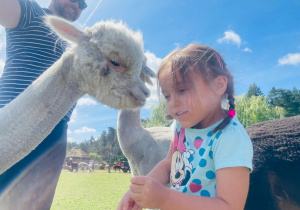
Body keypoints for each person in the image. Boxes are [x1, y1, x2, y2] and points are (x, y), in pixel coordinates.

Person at [117, 44, 253, 210]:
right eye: (167, 96)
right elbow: (169, 164)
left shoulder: (230, 138)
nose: (173, 103)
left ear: (218, 85)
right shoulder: (181, 127)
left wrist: (165, 198)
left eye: (182, 90)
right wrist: (138, 191)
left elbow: (230, 206)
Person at [0, 0, 87, 208]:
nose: (77, 5)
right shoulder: (31, 12)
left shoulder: (78, 43)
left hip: (54, 136)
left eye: (83, 4)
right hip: (12, 122)